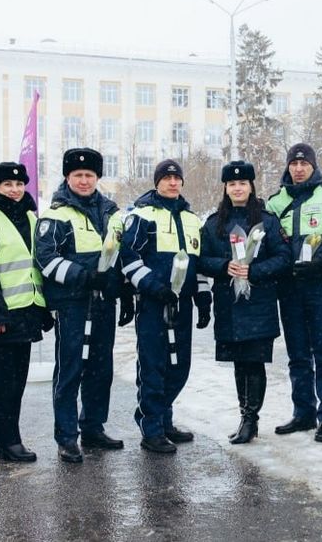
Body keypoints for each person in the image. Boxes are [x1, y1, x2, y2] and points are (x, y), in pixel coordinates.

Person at [34, 149, 134, 463]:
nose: (84, 180)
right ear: (67, 177)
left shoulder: (111, 212)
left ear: (97, 178)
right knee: (70, 369)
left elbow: (121, 254)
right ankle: (66, 437)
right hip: (72, 303)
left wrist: (125, 291)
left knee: (100, 368)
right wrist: (84, 277)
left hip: (104, 302)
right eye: (78, 175)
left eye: (89, 175)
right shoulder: (55, 214)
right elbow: (46, 259)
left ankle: (93, 426)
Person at [120, 159, 210, 454]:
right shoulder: (142, 214)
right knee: (153, 366)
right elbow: (129, 258)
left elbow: (198, 262)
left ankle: (165, 419)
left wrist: (203, 295)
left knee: (179, 367)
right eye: (166, 178)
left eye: (176, 178)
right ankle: (151, 427)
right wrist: (151, 286)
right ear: (157, 181)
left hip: (182, 305)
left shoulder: (191, 218)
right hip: (153, 303)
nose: (172, 183)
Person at [266, 144, 322, 443]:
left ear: (314, 166)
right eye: (294, 163)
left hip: (320, 287)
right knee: (298, 354)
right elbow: (266, 240)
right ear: (288, 167)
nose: (299, 168)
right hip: (289, 288)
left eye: (304, 163)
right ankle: (303, 412)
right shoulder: (276, 202)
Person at [200, 161, 292, 444]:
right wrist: (224, 265)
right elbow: (201, 259)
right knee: (239, 362)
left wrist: (255, 271)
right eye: (231, 184)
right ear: (225, 188)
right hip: (229, 304)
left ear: (251, 187)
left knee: (254, 362)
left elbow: (283, 258)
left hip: (258, 302)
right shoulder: (214, 223)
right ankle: (244, 415)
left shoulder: (267, 221)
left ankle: (251, 419)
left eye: (243, 184)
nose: (237, 188)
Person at [0, 162, 52, 463]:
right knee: (4, 383)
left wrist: (44, 309)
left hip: (28, 311)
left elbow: (36, 266)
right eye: (8, 185)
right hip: (4, 316)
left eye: (19, 185)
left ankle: (1, 438)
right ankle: (9, 441)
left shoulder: (31, 217)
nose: (15, 190)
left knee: (18, 381)